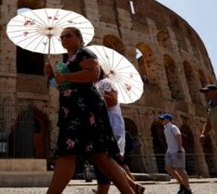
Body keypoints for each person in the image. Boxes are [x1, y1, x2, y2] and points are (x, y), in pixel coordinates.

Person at [45, 27, 134, 194]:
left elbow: (94, 73)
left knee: (73, 152)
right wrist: (51, 76)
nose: (64, 39)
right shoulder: (67, 62)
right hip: (72, 109)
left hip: (85, 108)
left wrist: (65, 76)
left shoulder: (84, 53)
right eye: (62, 37)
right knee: (98, 155)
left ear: (79, 38)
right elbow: (62, 86)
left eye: (69, 35)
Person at [93, 71, 145, 194]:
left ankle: (132, 187)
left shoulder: (105, 82)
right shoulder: (95, 85)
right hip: (102, 127)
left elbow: (112, 101)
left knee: (103, 160)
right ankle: (133, 186)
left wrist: (92, 94)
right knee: (106, 162)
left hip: (109, 127)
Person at [158, 113, 192, 194]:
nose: (161, 120)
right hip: (169, 150)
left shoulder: (173, 127)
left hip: (176, 150)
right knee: (168, 168)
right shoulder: (165, 129)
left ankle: (188, 189)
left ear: (168, 120)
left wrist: (179, 150)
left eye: (163, 119)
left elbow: (179, 138)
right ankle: (182, 184)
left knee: (180, 169)